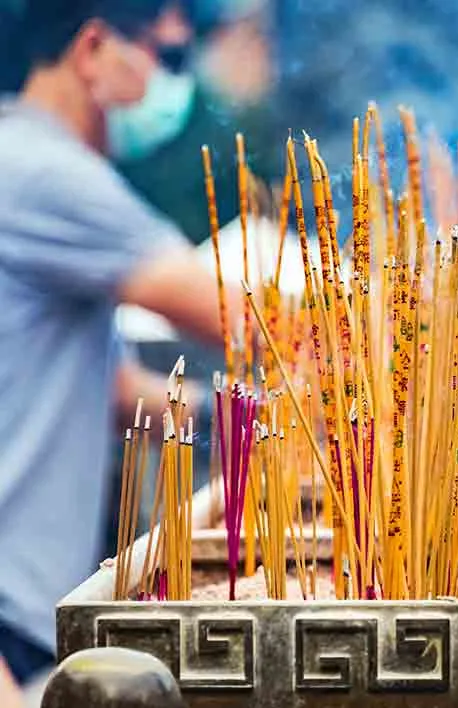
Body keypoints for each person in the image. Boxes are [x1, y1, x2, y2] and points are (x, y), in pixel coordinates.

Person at [0, 0, 232, 687]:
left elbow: (116, 393)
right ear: (95, 47)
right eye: (170, 58)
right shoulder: (42, 173)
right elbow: (240, 316)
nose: (176, 87)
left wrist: (246, 422)